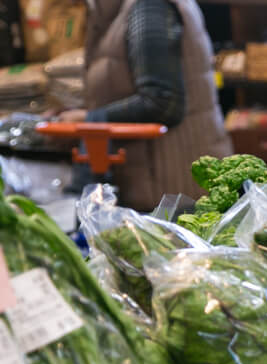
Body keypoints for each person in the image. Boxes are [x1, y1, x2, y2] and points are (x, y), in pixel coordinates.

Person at [66, 0, 230, 210]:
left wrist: (87, 119)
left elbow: (162, 101)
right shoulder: (116, 12)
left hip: (171, 193)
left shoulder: (149, 7)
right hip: (157, 187)